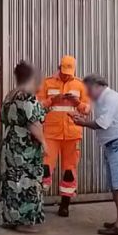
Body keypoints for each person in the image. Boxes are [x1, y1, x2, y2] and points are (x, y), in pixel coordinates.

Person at [71, 75, 118, 235]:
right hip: (113, 144)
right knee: (116, 185)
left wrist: (83, 123)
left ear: (97, 85)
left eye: (88, 89)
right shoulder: (101, 101)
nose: (87, 93)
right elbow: (100, 120)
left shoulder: (110, 98)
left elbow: (102, 123)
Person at [37, 55, 91, 217]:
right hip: (51, 134)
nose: (66, 75)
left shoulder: (80, 85)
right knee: (45, 169)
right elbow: (37, 106)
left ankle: (65, 205)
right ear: (58, 67)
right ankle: (36, 203)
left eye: (69, 72)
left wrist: (77, 103)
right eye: (64, 71)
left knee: (69, 170)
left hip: (72, 134)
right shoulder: (47, 83)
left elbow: (87, 110)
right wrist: (51, 100)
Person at [0, 61, 48, 233]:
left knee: (11, 181)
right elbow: (33, 124)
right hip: (24, 147)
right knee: (25, 182)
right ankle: (24, 221)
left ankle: (10, 218)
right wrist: (44, 143)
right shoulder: (26, 96)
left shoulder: (10, 95)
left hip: (10, 145)